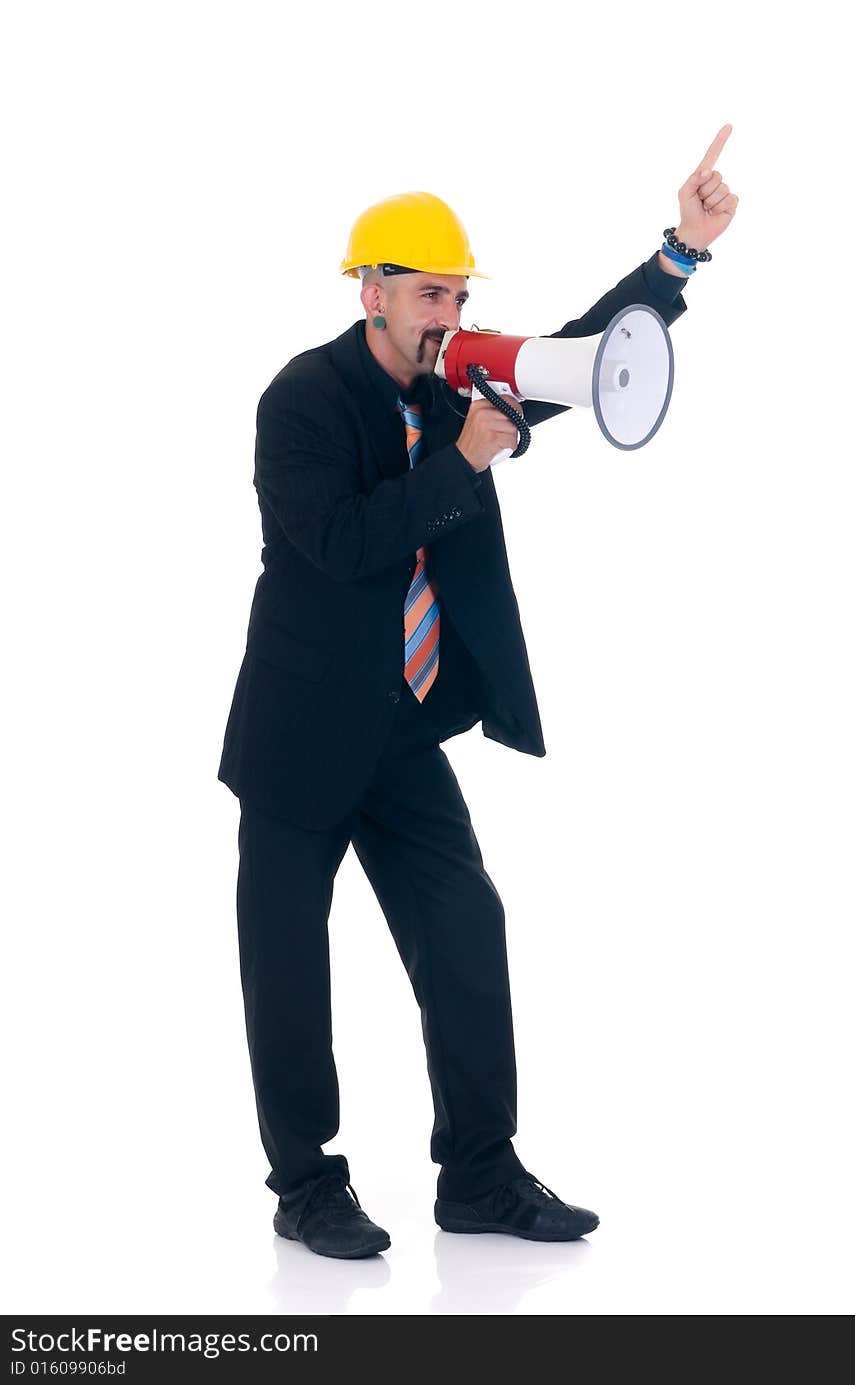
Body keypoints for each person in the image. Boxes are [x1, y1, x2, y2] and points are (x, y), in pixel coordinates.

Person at [218, 189, 689, 1258]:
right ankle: (306, 1185)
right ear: (373, 290)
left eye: (460, 293)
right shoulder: (300, 399)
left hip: (396, 723)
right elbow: (336, 544)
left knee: (466, 927)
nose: (449, 311)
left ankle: (478, 1173)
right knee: (287, 962)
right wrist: (463, 461)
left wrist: (678, 261)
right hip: (299, 728)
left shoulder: (454, 386)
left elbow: (573, 354)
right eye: (432, 292)